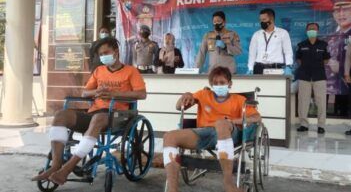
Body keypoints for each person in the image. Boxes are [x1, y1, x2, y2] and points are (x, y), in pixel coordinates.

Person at [31, 37, 147, 185]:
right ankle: (56, 165)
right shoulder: (99, 71)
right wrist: (97, 91)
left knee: (97, 119)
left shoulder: (131, 71)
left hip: (118, 115)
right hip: (95, 112)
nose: (103, 56)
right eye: (101, 54)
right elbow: (85, 92)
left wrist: (114, 94)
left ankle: (66, 170)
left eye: (106, 52)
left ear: (116, 52)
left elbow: (141, 94)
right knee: (61, 116)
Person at [163, 66, 261, 192]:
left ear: (229, 84)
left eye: (222, 83)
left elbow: (257, 117)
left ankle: (228, 184)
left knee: (221, 124)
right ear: (211, 84)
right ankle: (172, 189)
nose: (218, 86)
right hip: (204, 133)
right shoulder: (203, 95)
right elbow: (178, 107)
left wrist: (233, 121)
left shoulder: (239, 100)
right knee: (169, 137)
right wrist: (185, 96)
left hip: (230, 133)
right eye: (215, 83)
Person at [326, 0, 351, 116]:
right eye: (337, 10)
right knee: (337, 114)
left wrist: (339, 68)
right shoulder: (332, 36)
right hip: (335, 88)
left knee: (350, 112)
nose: (341, 14)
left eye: (346, 9)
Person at [296, 23, 331, 134]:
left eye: (314, 29)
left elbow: (326, 60)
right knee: (303, 101)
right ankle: (303, 124)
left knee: (321, 102)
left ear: (318, 31)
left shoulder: (323, 45)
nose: (312, 30)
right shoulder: (301, 45)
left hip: (319, 76)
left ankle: (321, 125)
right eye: (310, 29)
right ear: (306, 30)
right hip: (304, 76)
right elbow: (299, 60)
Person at [247, 8, 293, 76]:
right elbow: (252, 53)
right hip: (259, 68)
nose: (261, 22)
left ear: (271, 19)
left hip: (276, 68)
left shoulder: (283, 33)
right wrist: (250, 68)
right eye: (260, 20)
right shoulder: (256, 34)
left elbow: (288, 51)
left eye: (264, 19)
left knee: (275, 87)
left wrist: (288, 66)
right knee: (259, 87)